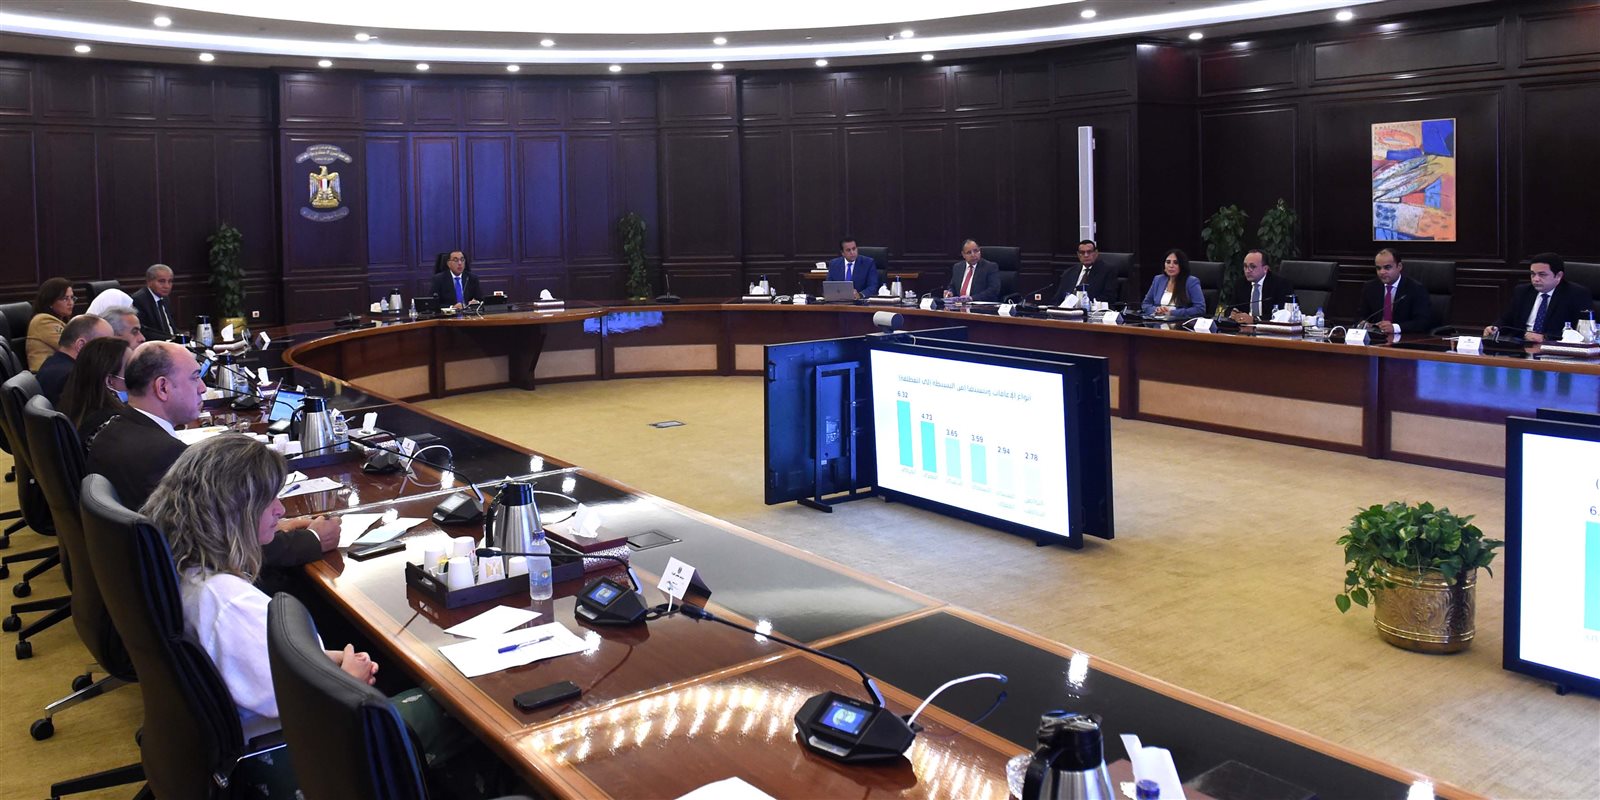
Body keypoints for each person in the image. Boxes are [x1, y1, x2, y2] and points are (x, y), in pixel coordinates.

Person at [83, 341, 338, 566]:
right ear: (163, 388)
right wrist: (314, 539)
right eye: (195, 378)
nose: (203, 388)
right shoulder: (165, 455)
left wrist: (273, 525)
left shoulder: (112, 430)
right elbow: (218, 546)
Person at [1484, 253, 1595, 343]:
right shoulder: (1523, 291)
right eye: (1533, 274)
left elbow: (1582, 331)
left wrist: (1545, 337)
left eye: (1542, 274)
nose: (1535, 279)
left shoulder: (1576, 294)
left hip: (1554, 350)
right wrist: (1495, 328)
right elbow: (1507, 319)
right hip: (1521, 346)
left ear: (1558, 276)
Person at [57, 336, 130, 436]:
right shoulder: (112, 425)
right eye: (131, 368)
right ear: (110, 381)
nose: (138, 373)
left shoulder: (77, 410)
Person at [37, 314, 112, 406]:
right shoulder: (73, 378)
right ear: (81, 345)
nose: (110, 352)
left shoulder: (53, 363)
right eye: (105, 346)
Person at [1353, 248, 1432, 336]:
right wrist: (1364, 324)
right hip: (1376, 338)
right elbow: (1360, 316)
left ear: (1399, 267)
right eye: (1378, 268)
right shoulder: (1370, 287)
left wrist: (1395, 327)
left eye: (1387, 267)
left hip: (1404, 339)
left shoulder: (1415, 289)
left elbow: (1423, 322)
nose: (1382, 272)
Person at [1221, 249, 1295, 323]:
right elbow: (1230, 309)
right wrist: (1233, 314)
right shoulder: (1240, 284)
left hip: (1269, 328)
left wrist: (1255, 319)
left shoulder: (1281, 284)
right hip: (1244, 328)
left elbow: (1283, 314)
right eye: (1245, 266)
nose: (1247, 270)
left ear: (1265, 269)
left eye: (1252, 267)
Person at [1141, 248, 1206, 320]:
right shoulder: (1158, 280)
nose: (1171, 266)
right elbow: (1145, 304)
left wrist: (1172, 312)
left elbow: (1200, 309)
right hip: (1157, 322)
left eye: (1176, 263)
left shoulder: (1191, 282)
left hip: (1180, 323)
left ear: (1182, 265)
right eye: (1168, 262)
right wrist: (1156, 310)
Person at [1048, 240, 1119, 305]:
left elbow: (1109, 297)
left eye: (1089, 252)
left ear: (1096, 253)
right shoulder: (1069, 272)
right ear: (1078, 255)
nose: (1086, 255)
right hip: (1068, 310)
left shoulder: (1107, 271)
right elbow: (1058, 297)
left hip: (1091, 309)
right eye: (1082, 252)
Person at [26, 277, 75, 371]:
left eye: (72, 298)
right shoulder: (42, 321)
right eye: (65, 299)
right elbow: (70, 347)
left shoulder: (60, 320)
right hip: (46, 375)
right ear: (50, 302)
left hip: (60, 371)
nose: (71, 303)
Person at [130, 263, 177, 339]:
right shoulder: (139, 300)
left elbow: (171, 326)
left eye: (170, 281)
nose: (167, 286)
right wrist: (171, 338)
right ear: (149, 282)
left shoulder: (165, 298)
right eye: (162, 281)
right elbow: (143, 331)